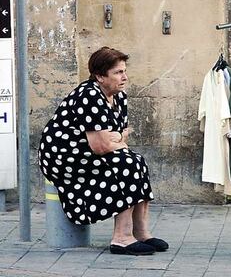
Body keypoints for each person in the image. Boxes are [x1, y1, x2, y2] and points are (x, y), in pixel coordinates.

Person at [38, 47, 168, 255]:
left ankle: (141, 232)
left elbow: (120, 134)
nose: (124, 77)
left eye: (124, 71)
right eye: (118, 72)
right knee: (126, 163)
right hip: (61, 156)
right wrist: (116, 141)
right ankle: (121, 238)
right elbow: (101, 146)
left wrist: (115, 140)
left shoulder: (119, 96)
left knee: (137, 161)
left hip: (84, 150)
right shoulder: (89, 94)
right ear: (99, 76)